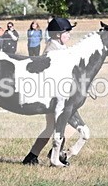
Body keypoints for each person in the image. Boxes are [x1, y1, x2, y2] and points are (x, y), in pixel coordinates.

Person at [23, 17, 74, 165]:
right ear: (58, 34)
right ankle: (56, 154)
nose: (69, 35)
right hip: (52, 96)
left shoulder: (61, 47)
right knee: (67, 126)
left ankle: (32, 156)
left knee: (52, 128)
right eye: (67, 32)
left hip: (58, 95)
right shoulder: (52, 48)